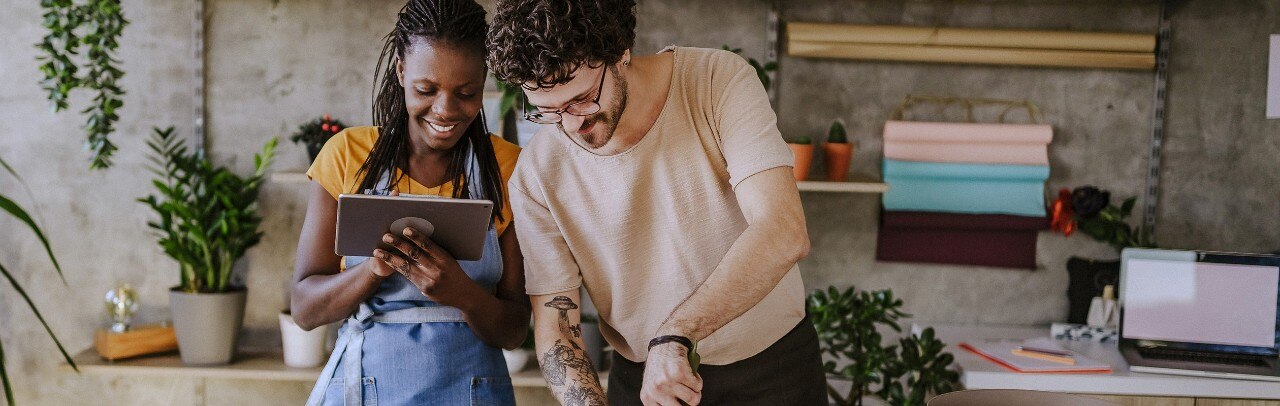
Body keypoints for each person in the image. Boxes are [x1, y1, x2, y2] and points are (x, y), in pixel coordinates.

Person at [486, 0, 826, 405]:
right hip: (648, 384)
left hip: (773, 371)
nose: (572, 125)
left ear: (619, 51)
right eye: (548, 111)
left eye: (581, 100)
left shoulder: (716, 82)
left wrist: (676, 334)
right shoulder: (537, 175)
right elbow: (557, 327)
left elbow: (783, 231)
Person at [290, 0, 528, 404]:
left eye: (467, 93)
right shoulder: (347, 155)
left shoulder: (507, 168)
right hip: (366, 389)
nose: (446, 110)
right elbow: (305, 309)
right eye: (426, 90)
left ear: (484, 77)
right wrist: (374, 270)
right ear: (401, 70)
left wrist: (461, 292)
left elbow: (514, 329)